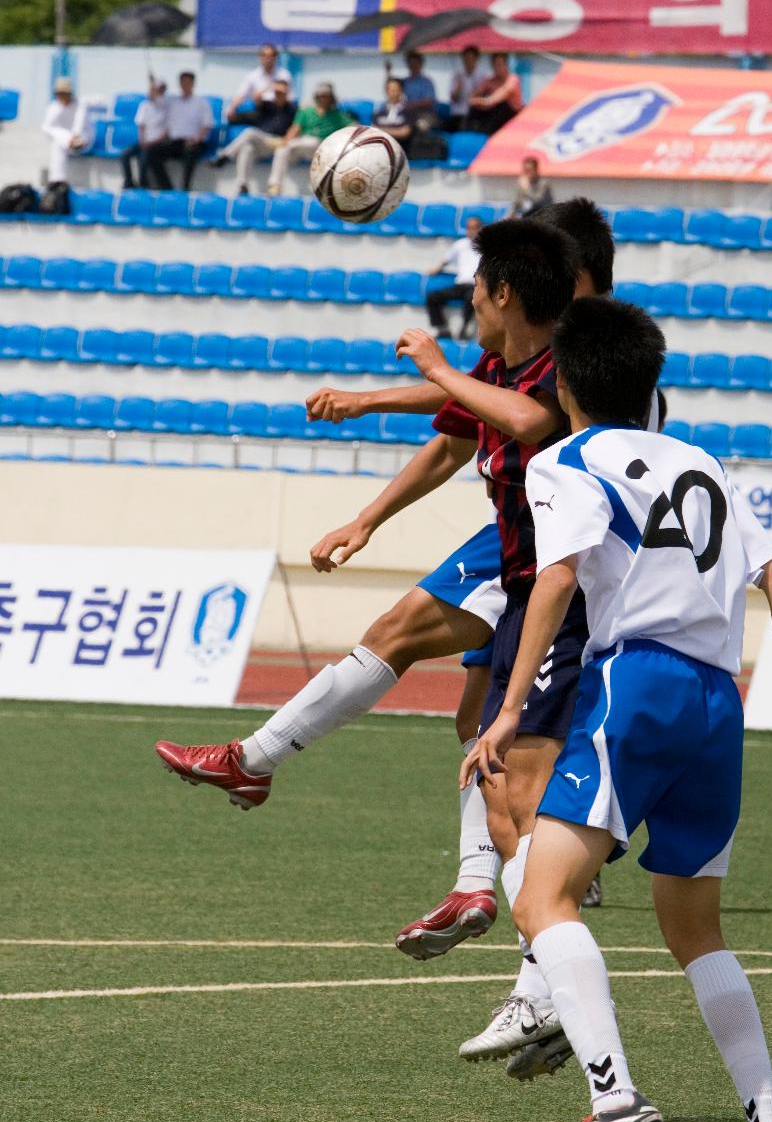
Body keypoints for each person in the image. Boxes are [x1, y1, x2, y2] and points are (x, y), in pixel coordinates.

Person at [463, 295, 772, 1122]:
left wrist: (509, 710)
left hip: (637, 684)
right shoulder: (701, 461)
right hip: (720, 703)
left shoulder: (564, 460)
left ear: (559, 380)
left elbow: (557, 577)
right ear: (650, 380)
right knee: (696, 932)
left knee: (538, 892)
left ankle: (614, 1096)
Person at [153, 217, 582, 981]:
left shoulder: (575, 364)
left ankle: (539, 974)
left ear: (508, 290)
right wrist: (367, 507)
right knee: (468, 719)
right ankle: (481, 893)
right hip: (518, 555)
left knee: (514, 773)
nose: (469, 301)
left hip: (563, 570)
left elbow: (521, 416)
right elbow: (460, 430)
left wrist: (430, 370)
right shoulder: (504, 361)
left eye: (476, 289)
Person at [210, 77, 298, 195]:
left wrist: (285, 139)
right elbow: (256, 97)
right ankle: (243, 185)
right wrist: (271, 86)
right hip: (262, 142)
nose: (279, 95)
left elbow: (297, 126)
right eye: (276, 92)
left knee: (250, 132)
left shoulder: (292, 109)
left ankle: (225, 156)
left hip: (278, 142)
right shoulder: (268, 106)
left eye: (281, 92)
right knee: (247, 148)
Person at [266, 81, 355, 196]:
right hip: (301, 146)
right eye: (321, 95)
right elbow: (295, 129)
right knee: (282, 150)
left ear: (331, 97)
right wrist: (285, 141)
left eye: (326, 96)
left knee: (310, 142)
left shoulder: (337, 115)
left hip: (320, 148)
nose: (323, 98)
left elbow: (353, 126)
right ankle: (274, 185)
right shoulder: (306, 112)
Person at [145, 71, 215, 192]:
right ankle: (166, 188)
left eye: (188, 82)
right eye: (182, 82)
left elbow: (207, 125)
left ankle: (185, 188)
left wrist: (197, 139)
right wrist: (153, 83)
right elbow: (153, 98)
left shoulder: (201, 103)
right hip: (176, 141)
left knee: (191, 152)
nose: (185, 85)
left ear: (193, 84)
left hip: (195, 142)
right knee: (151, 152)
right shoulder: (173, 101)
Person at [425, 216, 481, 340]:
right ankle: (442, 329)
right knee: (432, 297)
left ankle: (464, 329)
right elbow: (446, 260)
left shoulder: (485, 248)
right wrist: (436, 269)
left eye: (474, 228)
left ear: (480, 229)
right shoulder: (460, 244)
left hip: (475, 286)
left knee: (472, 297)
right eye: (469, 228)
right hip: (460, 285)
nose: (471, 231)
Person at [41, 76, 96, 184]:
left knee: (62, 140)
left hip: (83, 140)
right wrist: (69, 139)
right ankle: (57, 180)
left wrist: (75, 136)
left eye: (64, 93)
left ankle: (57, 179)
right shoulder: (53, 107)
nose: (61, 96)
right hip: (66, 143)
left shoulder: (80, 104)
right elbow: (47, 128)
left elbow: (79, 123)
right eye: (59, 94)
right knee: (57, 142)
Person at [120, 77, 168, 190]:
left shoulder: (166, 108)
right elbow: (141, 126)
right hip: (144, 142)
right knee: (125, 155)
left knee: (144, 157)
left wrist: (152, 142)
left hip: (157, 143)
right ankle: (129, 182)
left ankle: (143, 184)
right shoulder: (145, 106)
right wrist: (143, 140)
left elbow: (166, 132)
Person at [226, 43, 293, 121]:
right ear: (260, 57)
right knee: (234, 117)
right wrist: (232, 108)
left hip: (279, 108)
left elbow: (289, 97)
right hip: (261, 108)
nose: (267, 59)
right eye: (263, 55)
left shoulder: (284, 74)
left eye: (270, 56)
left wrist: (276, 89)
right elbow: (241, 95)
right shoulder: (253, 76)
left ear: (275, 57)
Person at [466, 53, 523, 135]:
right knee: (474, 110)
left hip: (512, 118)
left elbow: (491, 101)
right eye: (495, 65)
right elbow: (473, 95)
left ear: (506, 65)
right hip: (495, 117)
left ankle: (488, 134)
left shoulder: (512, 80)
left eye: (499, 64)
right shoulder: (490, 81)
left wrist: (476, 101)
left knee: (501, 106)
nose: (497, 68)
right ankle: (471, 135)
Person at [448, 45, 485, 131]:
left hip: (474, 114)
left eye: (471, 58)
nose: (468, 61)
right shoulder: (457, 76)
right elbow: (453, 99)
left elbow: (482, 98)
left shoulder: (482, 77)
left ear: (476, 59)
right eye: (466, 58)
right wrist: (458, 88)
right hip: (457, 115)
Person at [373, 77, 413, 154]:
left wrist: (381, 130)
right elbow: (373, 131)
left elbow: (404, 133)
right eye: (391, 90)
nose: (393, 93)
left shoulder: (408, 111)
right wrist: (395, 131)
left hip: (401, 152)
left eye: (396, 90)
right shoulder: (379, 111)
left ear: (401, 90)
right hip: (380, 151)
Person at [400, 50, 438, 121]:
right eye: (411, 64)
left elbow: (428, 102)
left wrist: (411, 105)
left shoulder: (427, 82)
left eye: (416, 64)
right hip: (407, 114)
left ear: (421, 65)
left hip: (425, 115)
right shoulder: (404, 81)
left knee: (420, 125)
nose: (413, 66)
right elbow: (393, 89)